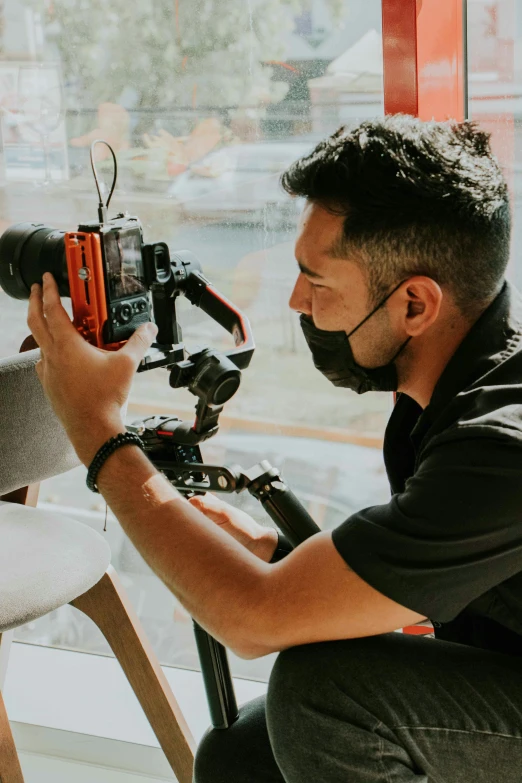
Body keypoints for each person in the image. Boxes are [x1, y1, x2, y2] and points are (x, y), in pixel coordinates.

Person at [27, 115, 522, 783]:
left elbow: (252, 621)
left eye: (318, 283)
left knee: (327, 694)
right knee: (242, 756)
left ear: (415, 304)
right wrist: (273, 556)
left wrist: (95, 426)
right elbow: (418, 580)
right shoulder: (447, 401)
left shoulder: (497, 448)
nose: (295, 301)